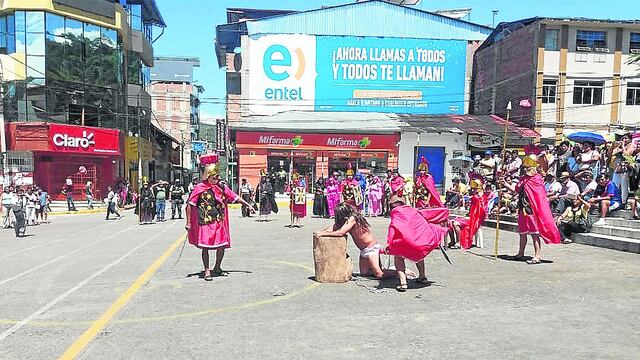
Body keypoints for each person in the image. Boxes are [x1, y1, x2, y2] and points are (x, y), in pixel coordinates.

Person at [185, 163, 255, 281]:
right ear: (208, 176)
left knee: (221, 246)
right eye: (215, 177)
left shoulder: (221, 187)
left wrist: (248, 205)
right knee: (205, 247)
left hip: (219, 221)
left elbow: (235, 196)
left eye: (218, 176)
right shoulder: (199, 188)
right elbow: (190, 205)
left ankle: (217, 267)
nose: (217, 179)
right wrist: (188, 222)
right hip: (205, 222)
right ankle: (207, 270)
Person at [501, 153, 561, 264]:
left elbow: (538, 196)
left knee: (534, 233)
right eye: (524, 167)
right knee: (522, 233)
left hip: (532, 210)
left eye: (527, 167)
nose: (525, 169)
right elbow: (516, 190)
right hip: (522, 208)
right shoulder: (523, 179)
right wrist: (504, 183)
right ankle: (520, 253)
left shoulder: (537, 179)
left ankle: (537, 256)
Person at [386, 194, 449, 292]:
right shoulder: (413, 211)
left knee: (398, 258)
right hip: (419, 242)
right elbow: (430, 213)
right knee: (419, 256)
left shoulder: (395, 213)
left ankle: (403, 283)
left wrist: (389, 243)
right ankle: (422, 277)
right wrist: (444, 212)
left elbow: (393, 228)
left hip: (405, 242)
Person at [315, 203, 393, 279]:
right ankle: (383, 270)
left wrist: (322, 233)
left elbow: (341, 232)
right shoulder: (344, 221)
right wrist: (321, 232)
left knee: (379, 274)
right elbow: (333, 228)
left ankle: (400, 272)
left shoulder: (353, 218)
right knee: (365, 273)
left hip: (371, 248)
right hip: (363, 250)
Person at [449, 176, 487, 250]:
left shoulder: (480, 198)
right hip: (470, 216)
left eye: (475, 188)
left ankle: (459, 242)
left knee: (455, 223)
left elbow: (480, 211)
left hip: (475, 220)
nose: (473, 190)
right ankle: (454, 241)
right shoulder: (475, 197)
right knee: (451, 222)